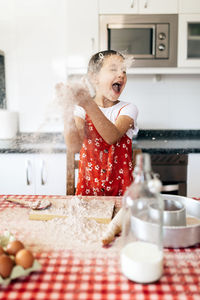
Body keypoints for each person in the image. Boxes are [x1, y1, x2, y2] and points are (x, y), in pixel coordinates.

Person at [59, 50, 138, 196]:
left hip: (121, 195)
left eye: (124, 71)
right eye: (113, 69)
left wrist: (88, 103)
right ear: (94, 78)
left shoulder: (128, 109)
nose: (121, 74)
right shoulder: (81, 109)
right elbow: (74, 146)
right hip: (88, 194)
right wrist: (67, 109)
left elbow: (111, 136)